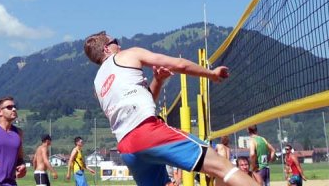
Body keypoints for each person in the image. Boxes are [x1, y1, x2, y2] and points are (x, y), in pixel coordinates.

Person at [83, 31, 259, 186]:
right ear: (106, 48)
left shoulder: (97, 85)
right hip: (148, 132)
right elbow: (179, 64)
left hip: (127, 149)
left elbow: (144, 102)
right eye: (115, 41)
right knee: (222, 166)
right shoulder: (128, 55)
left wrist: (158, 81)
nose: (119, 44)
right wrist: (211, 74)